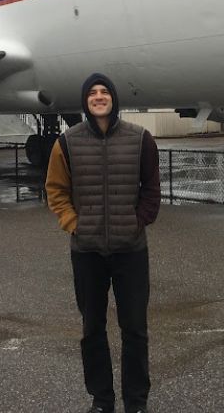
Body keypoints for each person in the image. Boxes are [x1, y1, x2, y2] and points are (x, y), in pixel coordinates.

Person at [46, 72, 161, 413]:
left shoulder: (140, 139)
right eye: (92, 93)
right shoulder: (66, 142)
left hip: (131, 250)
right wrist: (74, 224)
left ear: (114, 99)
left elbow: (151, 189)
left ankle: (136, 402)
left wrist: (138, 221)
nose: (99, 97)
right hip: (87, 251)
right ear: (85, 101)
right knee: (92, 328)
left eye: (104, 92)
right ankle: (102, 399)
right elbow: (56, 190)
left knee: (135, 329)